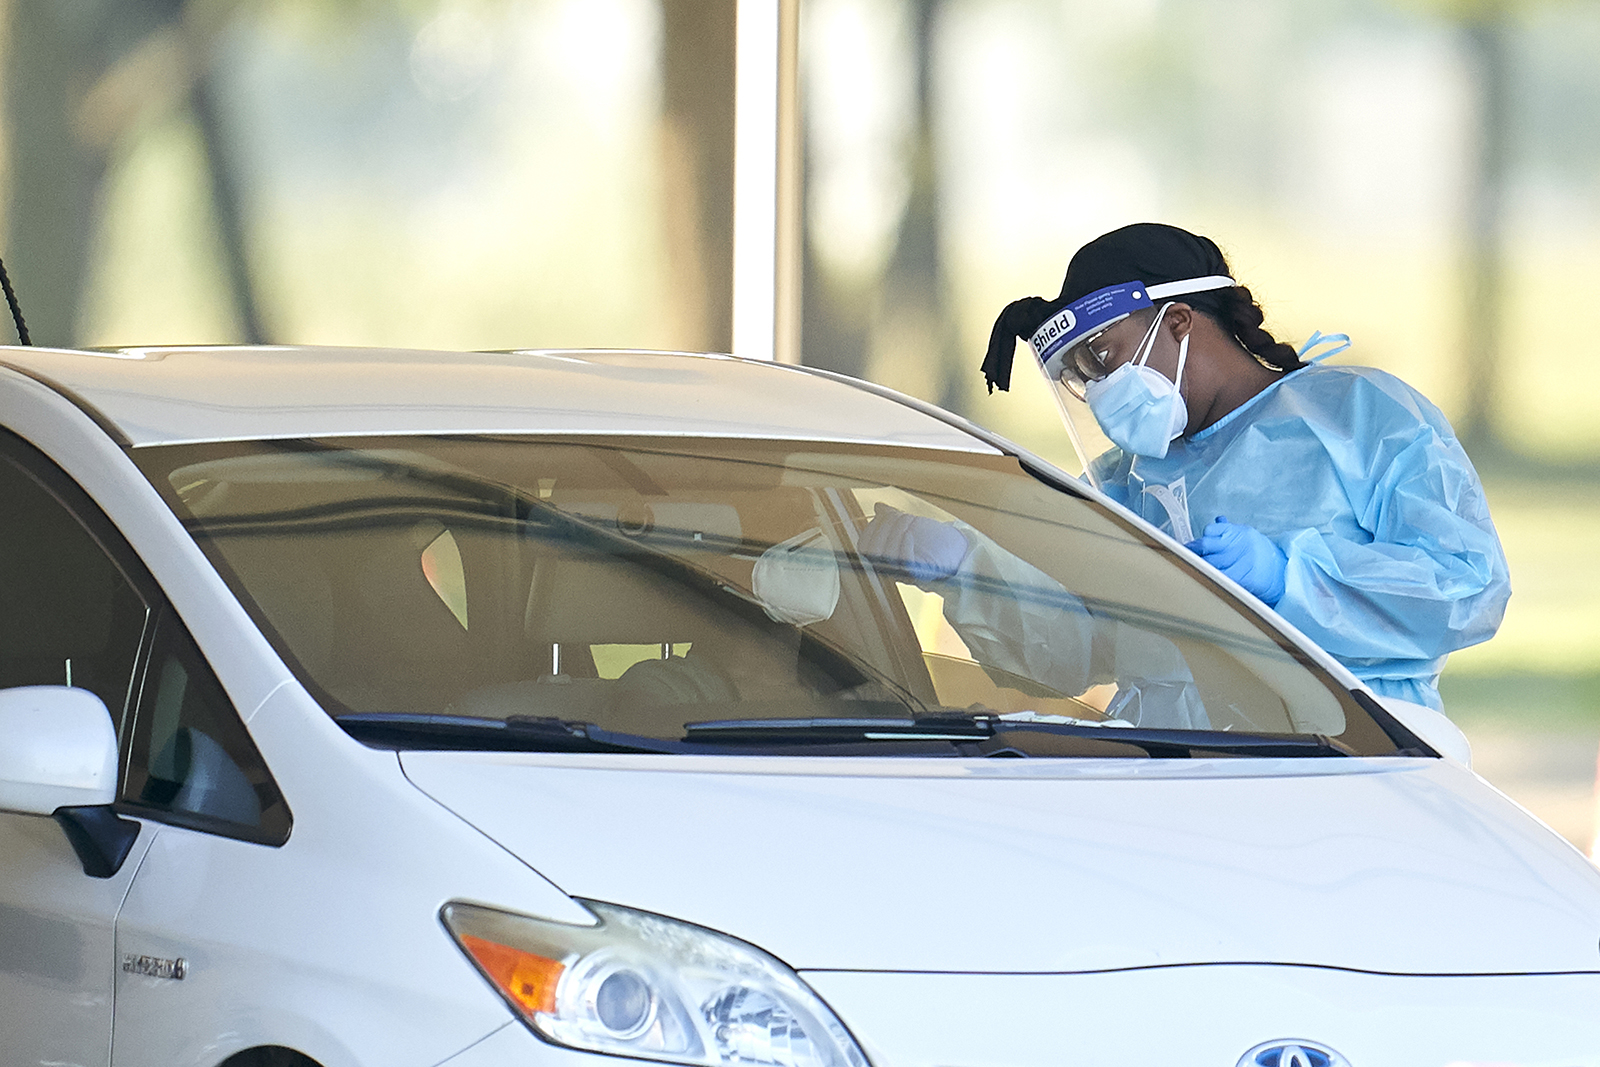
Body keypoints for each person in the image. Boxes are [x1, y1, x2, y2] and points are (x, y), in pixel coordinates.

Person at [866, 222, 1508, 713]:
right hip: (1173, 784)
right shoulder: (1125, 483)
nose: (1100, 388)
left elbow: (1464, 588)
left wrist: (1292, 579)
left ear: (1177, 321)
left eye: (1105, 355)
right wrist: (965, 569)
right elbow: (1075, 651)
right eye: (1081, 375)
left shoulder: (1360, 417)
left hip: (1353, 771)